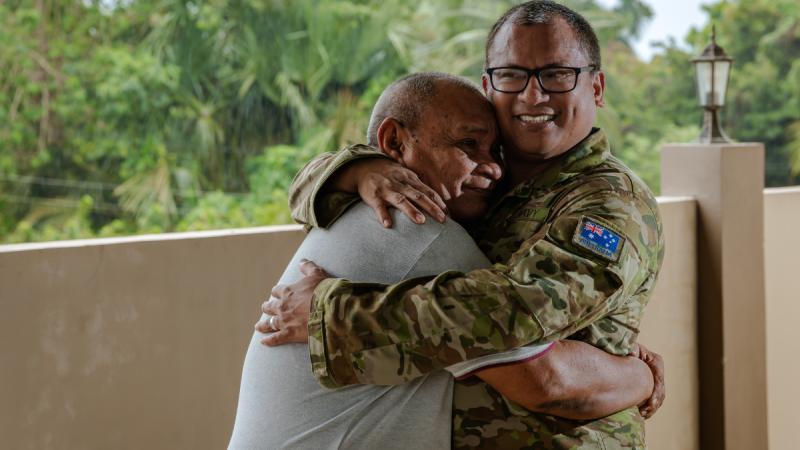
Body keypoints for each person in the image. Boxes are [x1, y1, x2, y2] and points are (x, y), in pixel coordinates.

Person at [260, 1, 665, 449]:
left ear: (597, 87)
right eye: (512, 75)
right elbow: (313, 189)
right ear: (489, 86)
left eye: (557, 75)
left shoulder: (609, 202)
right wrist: (357, 169)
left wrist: (335, 318)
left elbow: (518, 309)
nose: (533, 96)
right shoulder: (479, 178)